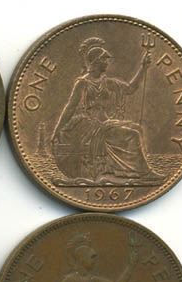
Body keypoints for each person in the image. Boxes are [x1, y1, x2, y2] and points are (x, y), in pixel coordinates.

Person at [52, 37, 161, 183]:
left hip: (106, 122)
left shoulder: (107, 82)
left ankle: (127, 171)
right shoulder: (82, 83)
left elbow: (130, 88)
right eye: (104, 60)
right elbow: (69, 108)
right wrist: (57, 129)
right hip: (92, 126)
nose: (107, 63)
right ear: (96, 61)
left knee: (137, 129)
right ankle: (144, 173)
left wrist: (143, 68)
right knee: (133, 134)